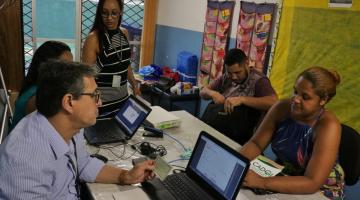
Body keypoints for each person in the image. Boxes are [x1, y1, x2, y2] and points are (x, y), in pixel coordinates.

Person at [0, 60, 154, 199]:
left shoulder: (71, 126)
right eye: (95, 95)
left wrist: (126, 176)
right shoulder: (24, 162)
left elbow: (83, 164)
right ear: (69, 102)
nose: (100, 102)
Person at [240, 66, 344, 199]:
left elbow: (312, 182)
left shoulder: (329, 126)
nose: (295, 99)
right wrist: (237, 163)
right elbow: (256, 144)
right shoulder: (281, 108)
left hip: (321, 190)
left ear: (323, 100)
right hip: (287, 176)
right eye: (295, 91)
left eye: (305, 97)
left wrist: (261, 182)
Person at [200, 48, 277, 144]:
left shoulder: (259, 81)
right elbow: (203, 92)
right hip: (219, 132)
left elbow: (274, 102)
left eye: (237, 72)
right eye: (230, 73)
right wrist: (213, 93)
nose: (234, 77)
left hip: (241, 138)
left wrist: (242, 99)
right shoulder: (226, 77)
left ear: (246, 63)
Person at [82, 0, 140, 119]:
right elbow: (87, 76)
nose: (109, 18)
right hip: (102, 106)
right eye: (105, 13)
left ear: (120, 13)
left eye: (114, 13)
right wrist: (93, 100)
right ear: (99, 14)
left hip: (123, 102)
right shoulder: (93, 39)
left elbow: (125, 62)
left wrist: (134, 86)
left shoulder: (124, 33)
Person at [11, 40, 73, 129]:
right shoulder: (38, 97)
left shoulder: (40, 88)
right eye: (64, 66)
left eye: (71, 66)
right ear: (47, 66)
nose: (70, 71)